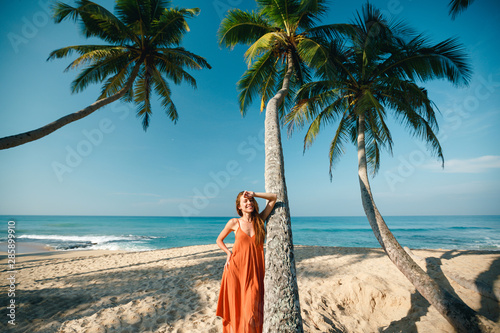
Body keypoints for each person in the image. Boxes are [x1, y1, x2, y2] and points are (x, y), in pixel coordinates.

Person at [216, 190, 277, 333]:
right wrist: (228, 253)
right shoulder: (234, 222)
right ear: (239, 207)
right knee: (237, 308)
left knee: (252, 310)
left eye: (250, 201)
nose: (249, 203)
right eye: (245, 201)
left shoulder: (260, 220)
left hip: (255, 271)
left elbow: (274, 198)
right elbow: (219, 240)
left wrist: (253, 193)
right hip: (235, 271)